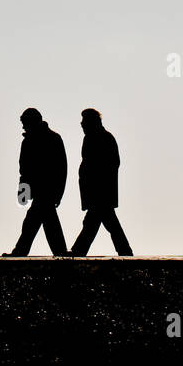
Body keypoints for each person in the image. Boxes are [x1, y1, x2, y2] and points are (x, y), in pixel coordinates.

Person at [4, 107, 68, 256]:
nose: (23, 126)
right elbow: (26, 170)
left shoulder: (36, 141)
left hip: (44, 191)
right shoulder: (51, 138)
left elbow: (26, 171)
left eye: (24, 123)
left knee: (33, 222)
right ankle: (60, 253)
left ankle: (21, 251)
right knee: (45, 223)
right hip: (46, 191)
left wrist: (23, 193)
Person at [69, 108, 133, 256]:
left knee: (96, 222)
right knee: (100, 223)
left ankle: (79, 251)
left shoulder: (104, 138)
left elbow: (110, 165)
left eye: (84, 121)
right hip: (97, 191)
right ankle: (124, 252)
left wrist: (96, 183)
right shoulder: (95, 138)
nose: (81, 124)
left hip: (100, 191)